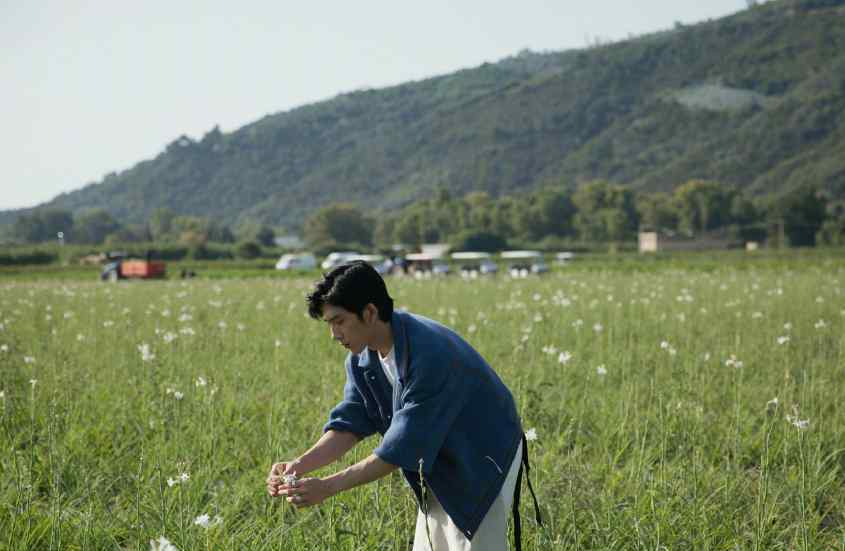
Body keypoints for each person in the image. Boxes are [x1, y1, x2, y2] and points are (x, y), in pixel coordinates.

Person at [266, 260, 540, 550]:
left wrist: (327, 487)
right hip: (437, 457)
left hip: (482, 455)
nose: (334, 334)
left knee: (470, 543)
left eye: (339, 321)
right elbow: (349, 424)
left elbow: (399, 450)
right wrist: (299, 465)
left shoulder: (429, 355)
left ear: (370, 312)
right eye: (329, 324)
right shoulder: (363, 358)